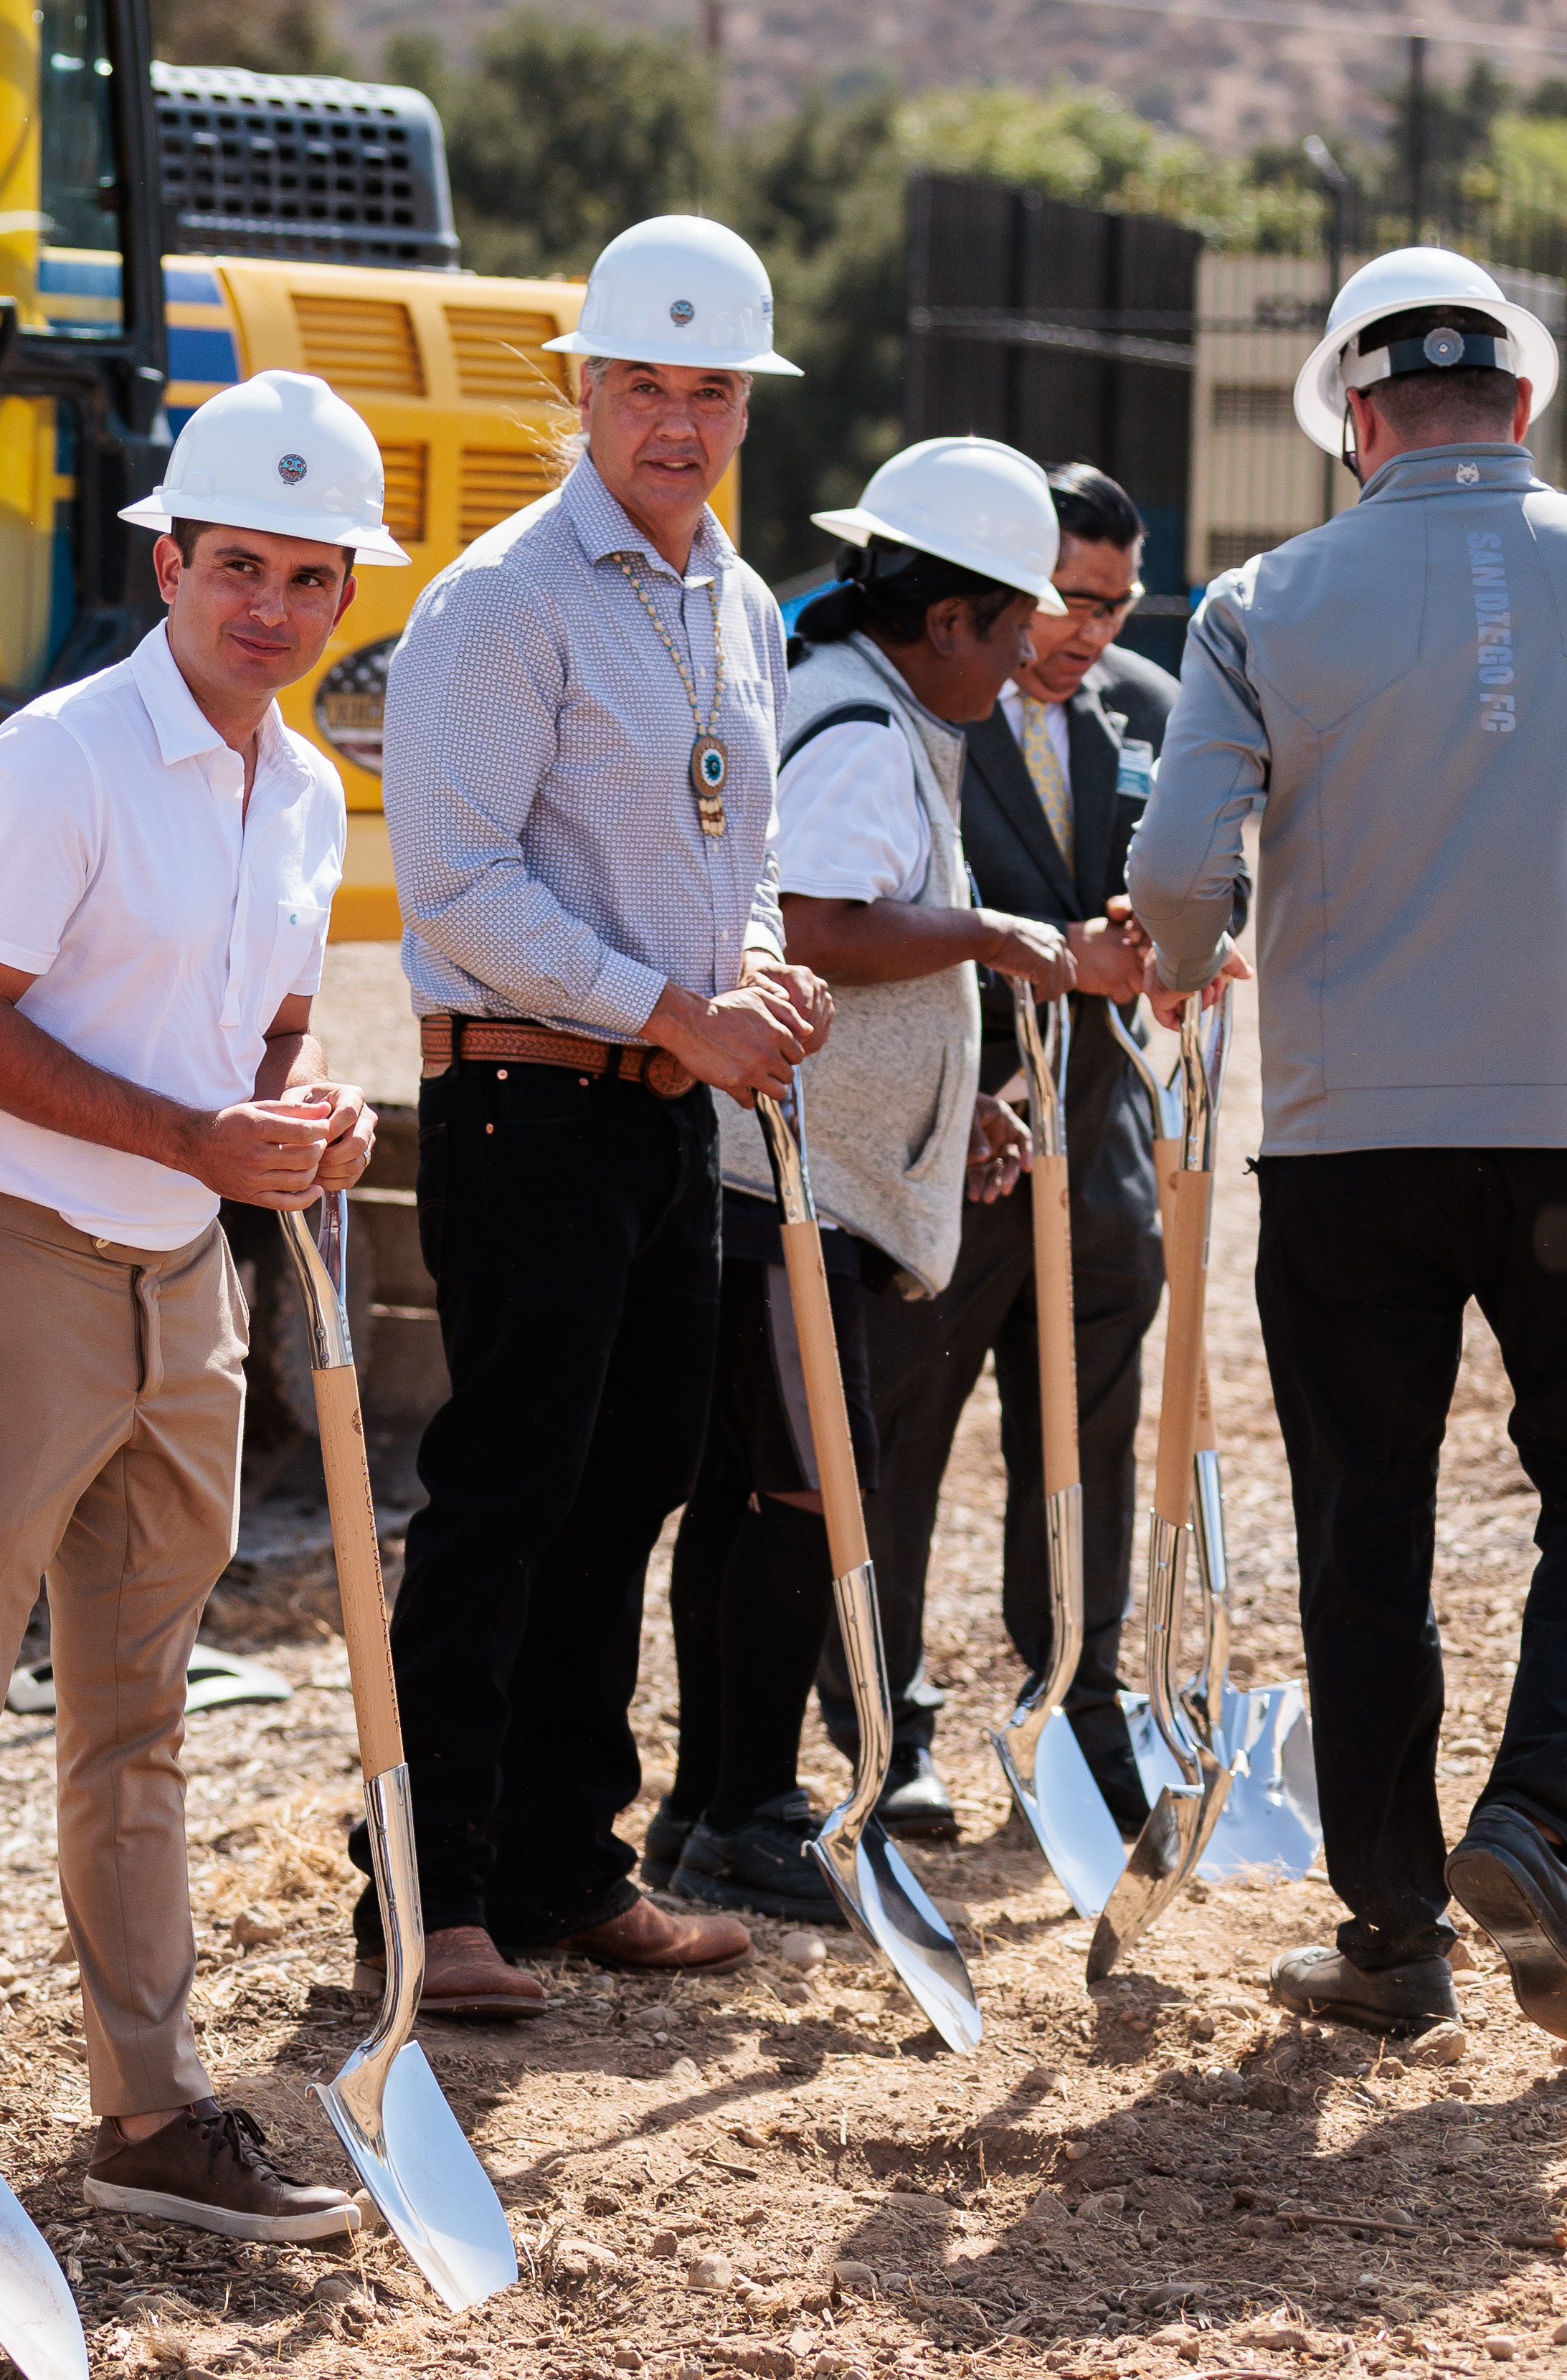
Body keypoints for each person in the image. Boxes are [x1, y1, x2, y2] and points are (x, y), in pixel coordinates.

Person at [0, 369, 383, 2255]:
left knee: (136, 1714)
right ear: (169, 558)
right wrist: (198, 1135)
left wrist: (304, 1120)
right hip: (2, 1246)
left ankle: (152, 2113)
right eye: (240, 569)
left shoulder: (306, 795)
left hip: (179, 1279)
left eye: (309, 578)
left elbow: (261, 1040)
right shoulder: (58, 756)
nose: (271, 609)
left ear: (344, 598)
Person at [1130, 247, 1567, 2047]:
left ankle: (1394, 1933)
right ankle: (1532, 1816)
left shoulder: (1261, 599)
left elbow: (1175, 875)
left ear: (1357, 421)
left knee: (1364, 1518)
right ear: (1525, 404)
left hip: (1348, 1142)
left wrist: (1180, 966)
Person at [370, 214, 832, 2019]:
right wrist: (680, 1010)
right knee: (501, 1499)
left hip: (666, 1113)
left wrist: (765, 973)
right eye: (644, 381)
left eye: (712, 387)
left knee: (625, 1492)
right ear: (580, 389)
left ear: (746, 409)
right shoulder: (498, 602)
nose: (678, 418)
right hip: (529, 1106)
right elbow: (461, 888)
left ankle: (569, 1862)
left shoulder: (741, 604)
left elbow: (755, 853)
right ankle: (428, 1891)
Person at [651, 440, 1069, 1927]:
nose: (1028, 656)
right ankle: (743, 1807)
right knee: (790, 1491)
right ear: (945, 618)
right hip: (780, 1185)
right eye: (1016, 625)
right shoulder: (859, 729)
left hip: (808, 1173)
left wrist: (954, 1116)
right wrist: (996, 936)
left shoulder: (882, 711)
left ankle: (713, 1803)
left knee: (765, 1493)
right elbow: (821, 918)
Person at [845, 463, 1174, 1842]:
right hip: (949, 1149)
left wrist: (1173, 928)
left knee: (1087, 1446)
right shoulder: (924, 710)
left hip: (1099, 1153)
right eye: (1069, 601)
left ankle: (1084, 1698)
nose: (1090, 632)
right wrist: (1035, 967)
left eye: (1116, 604)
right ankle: (889, 1723)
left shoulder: (1149, 715)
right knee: (901, 1443)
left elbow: (1208, 863)